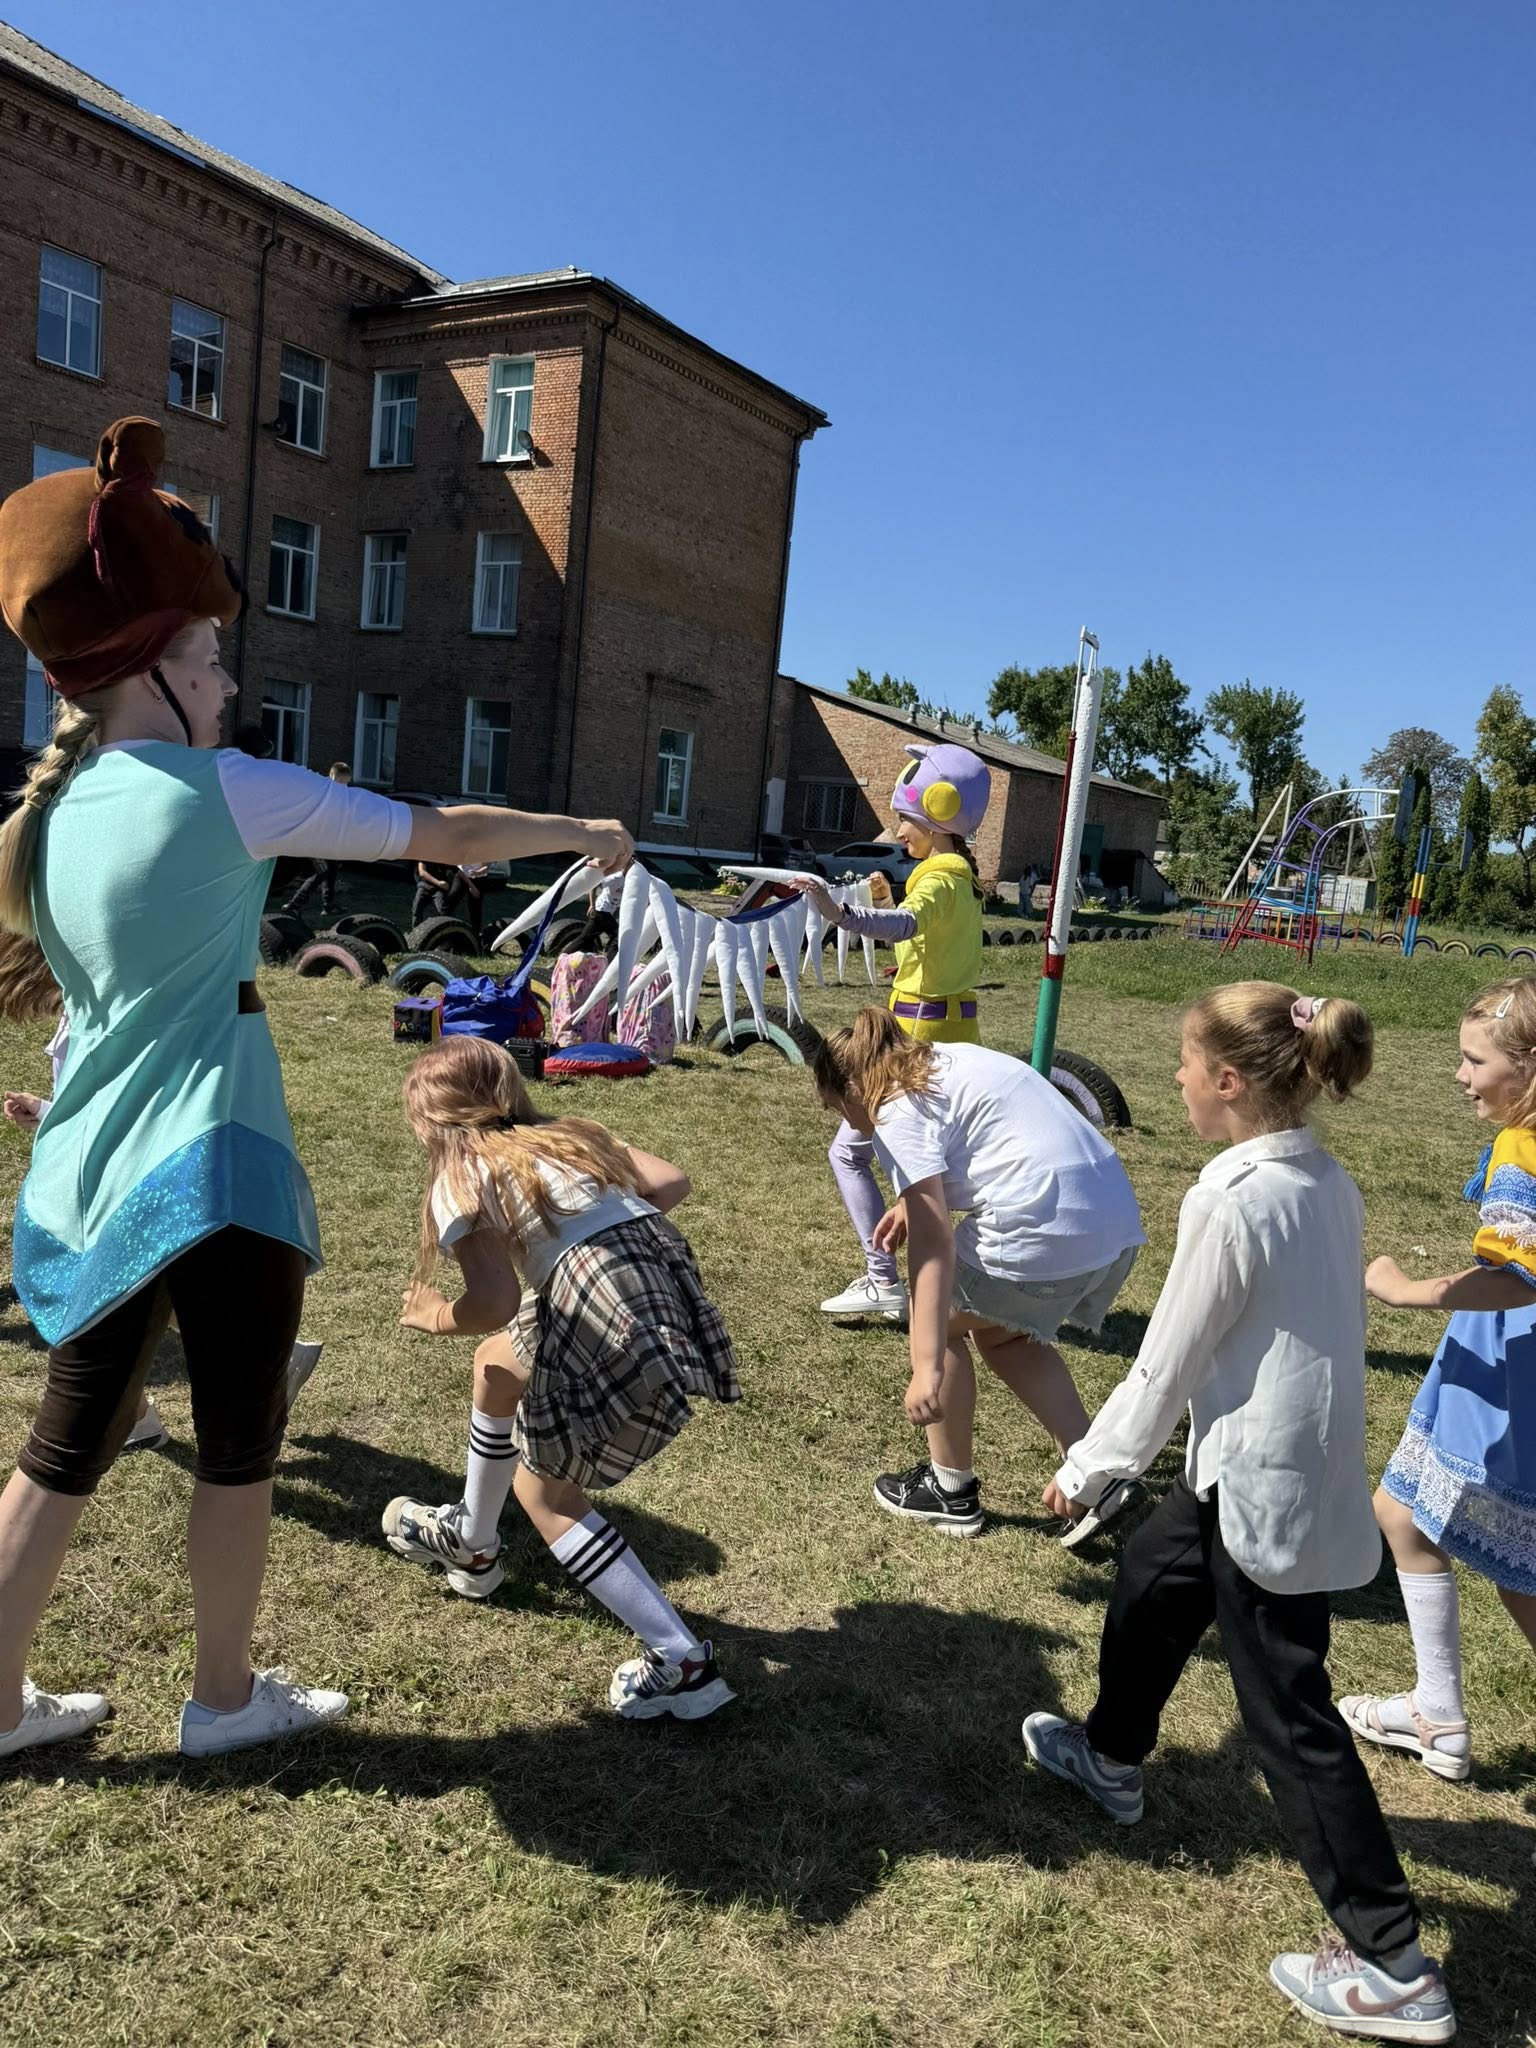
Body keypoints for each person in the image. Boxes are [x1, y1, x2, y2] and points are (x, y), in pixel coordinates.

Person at [0, 415, 633, 1762]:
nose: (228, 680)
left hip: (93, 1175)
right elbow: (447, 831)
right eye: (210, 657)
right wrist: (581, 832)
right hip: (213, 1168)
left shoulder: (44, 821)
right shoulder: (225, 789)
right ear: (155, 666)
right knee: (238, 1447)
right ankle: (224, 1698)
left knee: (60, 1451)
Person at [1019, 984, 1455, 2046]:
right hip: (1250, 1466)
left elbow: (1168, 1358)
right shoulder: (1327, 1176)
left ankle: (1394, 1964)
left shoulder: (1230, 1193)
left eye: (1184, 1061)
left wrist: (1090, 1466)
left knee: (1293, 1722)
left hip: (1266, 1485)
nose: (1172, 1077)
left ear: (1227, 1081)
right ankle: (1110, 1756)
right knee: (1153, 1579)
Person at [381, 1035, 738, 1721]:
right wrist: (600, 1237)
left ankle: (682, 1663)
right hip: (659, 1275)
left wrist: (434, 1316)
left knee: (545, 1492)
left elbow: (491, 1303)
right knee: (496, 1367)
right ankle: (473, 1543)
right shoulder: (574, 1134)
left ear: (432, 1123)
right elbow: (670, 1182)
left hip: (596, 1301)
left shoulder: (462, 1174)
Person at [810, 1008, 1144, 1539]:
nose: (847, 1122)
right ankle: (1095, 1475)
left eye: (837, 1108)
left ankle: (950, 1490)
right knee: (1004, 1334)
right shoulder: (949, 1060)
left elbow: (934, 1245)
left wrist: (925, 1364)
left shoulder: (892, 1109)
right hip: (1112, 1222)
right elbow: (994, 1139)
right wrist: (910, 1203)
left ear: (853, 1089)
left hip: (1044, 1228)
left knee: (938, 1319)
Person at [1350, 976, 1536, 1783]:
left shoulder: (1521, 1149)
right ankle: (1438, 1712)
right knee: (1415, 1517)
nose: (1461, 1076)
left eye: (1475, 1060)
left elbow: (1516, 1278)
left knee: (1490, 1551)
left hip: (1507, 1370)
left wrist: (1406, 1291)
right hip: (1502, 1362)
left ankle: (1439, 1715)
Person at [795, 742, 992, 1324]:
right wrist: (885, 896)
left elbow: (906, 924)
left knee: (857, 1155)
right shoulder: (955, 877)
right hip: (941, 1032)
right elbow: (922, 939)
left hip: (917, 1041)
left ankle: (885, 1280)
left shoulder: (942, 877)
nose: (898, 831)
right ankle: (922, 1281)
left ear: (938, 813)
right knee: (910, 1166)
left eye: (905, 819)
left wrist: (839, 914)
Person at [281, 761, 351, 920]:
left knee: (331, 872)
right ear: (331, 777)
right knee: (322, 872)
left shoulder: (341, 797)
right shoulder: (323, 793)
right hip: (315, 841)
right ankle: (294, 904)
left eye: (346, 783)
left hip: (328, 843)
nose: (342, 787)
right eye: (340, 782)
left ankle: (328, 905)